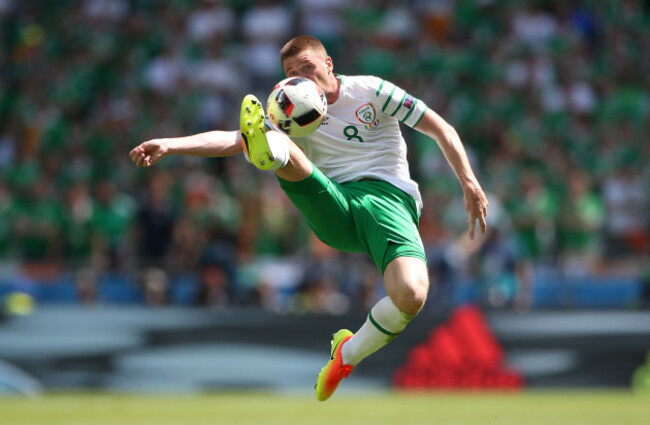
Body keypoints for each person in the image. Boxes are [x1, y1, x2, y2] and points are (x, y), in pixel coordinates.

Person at [130, 35, 488, 401]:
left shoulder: (371, 90)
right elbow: (230, 138)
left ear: (329, 64)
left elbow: (441, 128)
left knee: (411, 296)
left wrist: (469, 183)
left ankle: (345, 356)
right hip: (334, 202)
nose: (300, 77)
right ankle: (268, 151)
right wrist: (171, 144)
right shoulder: (287, 110)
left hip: (388, 201)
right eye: (290, 72)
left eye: (307, 68)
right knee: (278, 140)